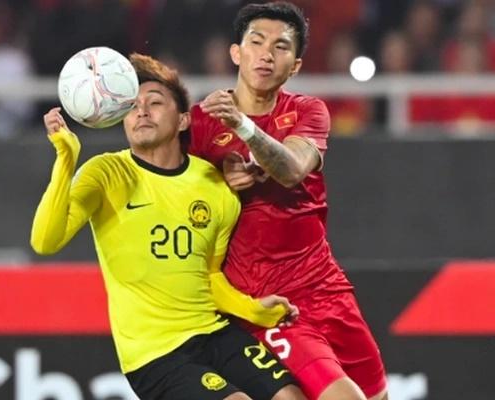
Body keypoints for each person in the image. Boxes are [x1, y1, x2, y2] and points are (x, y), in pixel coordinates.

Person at [31, 53, 306, 400]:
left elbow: (208, 276)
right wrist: (66, 158)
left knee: (291, 396)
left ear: (183, 120)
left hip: (214, 333)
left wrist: (251, 309)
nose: (142, 111)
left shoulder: (215, 186)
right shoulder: (106, 173)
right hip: (156, 355)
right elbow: (45, 240)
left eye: (155, 102)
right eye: (132, 106)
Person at [189, 3, 388, 400]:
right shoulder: (199, 124)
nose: (266, 54)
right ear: (236, 53)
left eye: (280, 47)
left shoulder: (306, 111)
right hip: (269, 302)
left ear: (295, 66)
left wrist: (243, 128)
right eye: (256, 42)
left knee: (377, 395)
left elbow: (292, 168)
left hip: (326, 287)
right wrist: (219, 183)